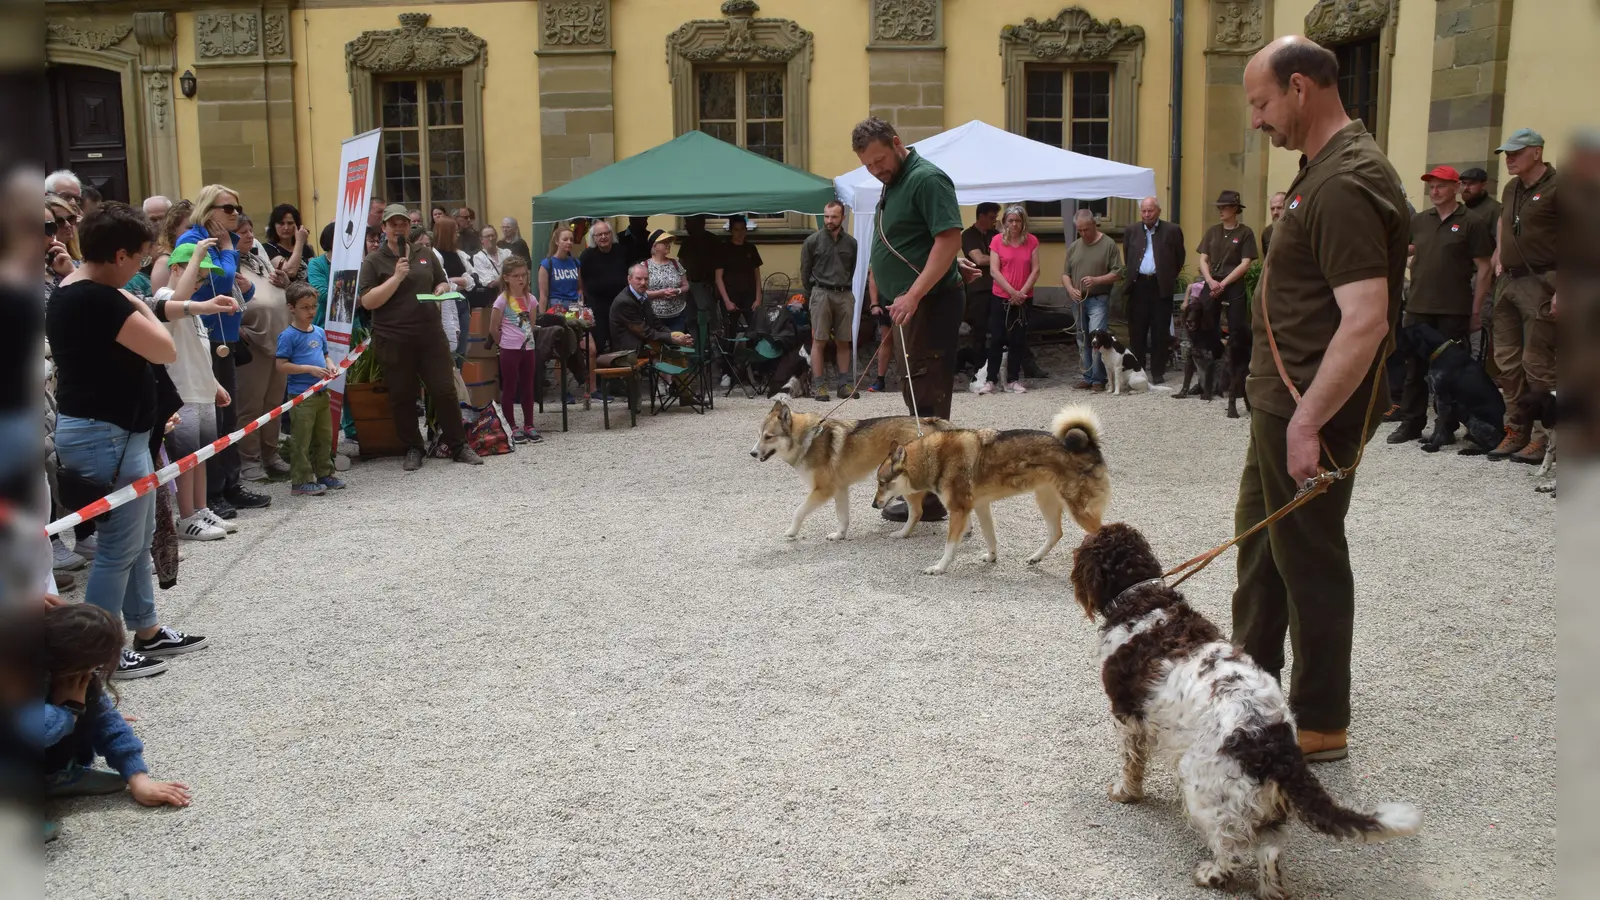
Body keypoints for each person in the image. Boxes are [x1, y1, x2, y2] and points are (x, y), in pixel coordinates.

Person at [1235, 37, 1408, 762]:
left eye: (1261, 102)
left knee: (1307, 556)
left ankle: (1318, 719)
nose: (1256, 120)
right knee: (1263, 548)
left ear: (1300, 87)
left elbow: (1366, 317)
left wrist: (1308, 421)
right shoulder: (1321, 171)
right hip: (1287, 397)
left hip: (1309, 404)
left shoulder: (1344, 181)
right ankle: (1252, 687)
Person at [45, 203, 210, 679]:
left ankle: (146, 629)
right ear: (118, 255)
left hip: (116, 432)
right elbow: (164, 346)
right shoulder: (99, 298)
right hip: (106, 435)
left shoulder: (78, 288)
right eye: (138, 256)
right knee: (119, 546)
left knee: (136, 541)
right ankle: (97, 654)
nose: (141, 267)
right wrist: (136, 302)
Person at [851, 116, 967, 523]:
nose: (876, 170)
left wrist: (916, 292)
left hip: (928, 306)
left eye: (880, 160)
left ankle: (936, 498)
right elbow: (922, 239)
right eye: (868, 166)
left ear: (898, 143)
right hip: (912, 306)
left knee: (929, 399)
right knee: (914, 396)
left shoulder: (926, 178)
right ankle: (924, 488)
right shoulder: (895, 182)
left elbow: (949, 236)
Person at [167, 185, 271, 517]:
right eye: (228, 208)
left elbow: (238, 289)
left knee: (227, 416)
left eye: (237, 207)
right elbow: (218, 282)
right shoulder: (194, 242)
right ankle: (211, 492)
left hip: (225, 335)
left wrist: (247, 283)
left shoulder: (223, 243)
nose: (235, 214)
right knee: (210, 420)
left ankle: (229, 483)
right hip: (206, 339)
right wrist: (228, 250)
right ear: (209, 209)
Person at [29, 604, 194, 807]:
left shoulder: (78, 676)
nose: (93, 673)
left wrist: (137, 778)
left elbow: (108, 723)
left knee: (88, 710)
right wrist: (70, 712)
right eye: (94, 665)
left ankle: (56, 774)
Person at [357, 204, 481, 471]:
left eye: (403, 222)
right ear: (384, 228)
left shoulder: (424, 253)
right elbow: (367, 301)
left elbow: (443, 281)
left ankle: (458, 445)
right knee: (402, 395)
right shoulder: (373, 261)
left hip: (429, 334)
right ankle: (413, 446)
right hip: (393, 337)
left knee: (444, 390)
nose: (399, 227)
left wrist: (441, 287)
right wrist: (397, 277)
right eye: (393, 223)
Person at [1388, 165, 1493, 445]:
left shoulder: (1472, 222)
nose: (1435, 191)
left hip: (1453, 308)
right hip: (1419, 306)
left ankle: (1445, 426)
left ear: (1456, 187)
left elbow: (1484, 268)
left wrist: (1476, 310)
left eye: (1441, 186)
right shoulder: (1420, 220)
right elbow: (1408, 248)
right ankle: (1411, 423)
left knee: (1450, 372)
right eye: (1431, 186)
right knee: (1414, 368)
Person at [156, 234, 237, 541]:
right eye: (198, 276)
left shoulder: (196, 309)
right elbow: (176, 300)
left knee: (202, 455)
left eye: (204, 279)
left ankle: (200, 509)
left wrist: (213, 383)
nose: (201, 284)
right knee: (186, 457)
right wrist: (196, 255)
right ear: (177, 268)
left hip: (200, 390)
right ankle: (186, 515)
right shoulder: (167, 297)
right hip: (182, 393)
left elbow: (199, 350)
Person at [1487, 127, 1559, 464]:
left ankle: (1543, 437)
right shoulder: (1511, 187)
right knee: (1507, 362)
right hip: (1509, 282)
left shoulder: (1562, 188)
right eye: (1507, 153)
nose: (1510, 159)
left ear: (1537, 152)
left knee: (1537, 364)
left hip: (1541, 282)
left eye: (1516, 152)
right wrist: (1500, 253)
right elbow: (1504, 223)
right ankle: (1515, 429)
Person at [233, 214, 293, 483]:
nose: (248, 235)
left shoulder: (259, 259)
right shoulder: (227, 266)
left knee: (273, 403)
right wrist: (236, 328)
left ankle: (271, 454)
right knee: (251, 405)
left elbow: (279, 294)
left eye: (250, 230)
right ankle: (249, 460)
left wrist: (284, 283)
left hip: (278, 340)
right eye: (241, 232)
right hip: (253, 343)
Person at [276, 283, 344, 496]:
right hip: (301, 396)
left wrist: (330, 364)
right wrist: (308, 369)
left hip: (322, 393)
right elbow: (281, 365)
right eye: (305, 307)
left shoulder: (319, 332)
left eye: (313, 306)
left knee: (324, 436)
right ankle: (301, 479)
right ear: (291, 307)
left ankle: (325, 473)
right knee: (302, 439)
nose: (311, 312)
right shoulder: (288, 336)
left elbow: (325, 355)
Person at [1122, 196, 1186, 384]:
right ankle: (1138, 370)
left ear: (1158, 211)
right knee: (1137, 330)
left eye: (1150, 210)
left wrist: (1167, 276)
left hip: (1160, 286)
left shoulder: (1172, 230)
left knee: (1160, 331)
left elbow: (1179, 257)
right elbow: (1128, 256)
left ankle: (1158, 371)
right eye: (1144, 210)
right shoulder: (1131, 230)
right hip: (1139, 285)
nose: (1147, 214)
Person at [800, 200, 859, 402]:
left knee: (844, 340)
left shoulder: (851, 243)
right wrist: (814, 295)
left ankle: (844, 385)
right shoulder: (812, 241)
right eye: (826, 216)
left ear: (842, 218)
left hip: (844, 294)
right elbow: (804, 272)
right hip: (820, 292)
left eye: (834, 217)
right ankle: (820, 386)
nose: (829, 221)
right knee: (819, 340)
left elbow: (852, 268)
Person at [979, 204, 1040, 395]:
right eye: (1010, 220)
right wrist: (1012, 291)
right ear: (1005, 222)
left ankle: (1013, 379)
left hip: (1023, 297)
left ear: (1023, 222)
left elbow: (1036, 269)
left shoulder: (1031, 241)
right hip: (1002, 296)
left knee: (1018, 339)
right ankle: (991, 379)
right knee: (997, 338)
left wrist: (1021, 292)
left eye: (1017, 221)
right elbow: (994, 270)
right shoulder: (997, 241)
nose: (1014, 224)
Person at [1195, 189, 1259, 366]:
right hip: (1212, 280)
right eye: (1219, 207)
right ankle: (1210, 368)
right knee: (1206, 322)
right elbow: (1203, 258)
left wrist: (1223, 283)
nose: (1220, 211)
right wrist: (1209, 280)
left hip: (1233, 283)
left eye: (1224, 207)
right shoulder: (1213, 231)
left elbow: (1245, 263)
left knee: (1237, 327)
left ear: (1235, 209)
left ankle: (1237, 370)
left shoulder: (1245, 232)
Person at [1063, 209, 1123, 392]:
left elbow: (1118, 273)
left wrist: (1097, 280)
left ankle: (1099, 378)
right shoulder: (1074, 246)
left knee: (1097, 337)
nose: (1083, 234)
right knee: (1082, 338)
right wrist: (1070, 288)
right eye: (1079, 230)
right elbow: (1066, 274)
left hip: (1098, 298)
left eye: (1086, 229)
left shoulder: (1109, 244)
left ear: (1094, 225)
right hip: (1078, 300)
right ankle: (1087, 376)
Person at [487, 257, 543, 444]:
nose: (521, 279)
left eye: (524, 275)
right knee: (510, 387)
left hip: (528, 348)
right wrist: (502, 343)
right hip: (509, 349)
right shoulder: (502, 300)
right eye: (516, 276)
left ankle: (529, 424)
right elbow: (493, 328)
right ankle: (511, 425)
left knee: (528, 386)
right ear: (506, 278)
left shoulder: (531, 299)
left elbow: (532, 324)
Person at [538, 227, 598, 400]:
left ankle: (592, 388)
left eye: (571, 239)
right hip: (557, 308)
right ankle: (564, 390)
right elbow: (543, 294)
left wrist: (581, 305)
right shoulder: (547, 264)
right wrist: (543, 319)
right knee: (563, 349)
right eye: (565, 239)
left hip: (575, 308)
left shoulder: (575, 263)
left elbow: (580, 287)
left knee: (591, 349)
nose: (569, 243)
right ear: (557, 241)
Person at [610, 262, 693, 355]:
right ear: (629, 279)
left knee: (681, 347)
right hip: (629, 350)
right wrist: (672, 338)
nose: (643, 282)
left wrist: (677, 335)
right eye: (638, 279)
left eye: (646, 279)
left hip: (644, 342)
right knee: (674, 353)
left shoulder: (642, 295)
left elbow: (657, 324)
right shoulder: (624, 302)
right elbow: (645, 332)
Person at [958, 203, 1000, 377]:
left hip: (997, 287)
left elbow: (1010, 249)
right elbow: (979, 259)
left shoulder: (996, 235)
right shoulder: (968, 235)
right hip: (978, 289)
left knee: (1002, 327)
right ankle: (978, 366)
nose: (994, 221)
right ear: (981, 216)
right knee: (980, 330)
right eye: (991, 217)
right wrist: (1000, 257)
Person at [578, 220, 630, 352]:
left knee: (619, 340)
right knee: (599, 341)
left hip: (620, 303)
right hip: (597, 305)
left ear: (611, 234)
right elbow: (580, 281)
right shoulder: (586, 256)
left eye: (606, 233)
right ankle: (599, 371)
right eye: (599, 235)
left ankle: (619, 370)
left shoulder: (621, 250)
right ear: (593, 238)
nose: (603, 237)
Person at [431, 218, 475, 360]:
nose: (457, 235)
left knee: (462, 348)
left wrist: (457, 281)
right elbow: (444, 282)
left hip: (463, 303)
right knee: (451, 346)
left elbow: (471, 279)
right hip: (448, 304)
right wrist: (459, 282)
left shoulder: (458, 254)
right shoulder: (436, 255)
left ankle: (459, 379)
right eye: (454, 231)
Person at [715, 216, 763, 340]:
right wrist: (726, 301)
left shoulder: (751, 249)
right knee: (730, 332)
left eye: (742, 229)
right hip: (731, 296)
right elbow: (718, 277)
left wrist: (758, 299)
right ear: (731, 230)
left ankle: (751, 357)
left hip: (750, 297)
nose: (740, 233)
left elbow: (757, 276)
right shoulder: (723, 249)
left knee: (754, 331)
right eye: (736, 230)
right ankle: (729, 358)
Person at [644, 228, 690, 333]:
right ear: (655, 246)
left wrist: (677, 291)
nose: (668, 244)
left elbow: (686, 285)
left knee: (676, 345)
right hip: (654, 317)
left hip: (677, 316)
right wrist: (660, 293)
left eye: (669, 242)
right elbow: (641, 293)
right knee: (657, 347)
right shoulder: (644, 266)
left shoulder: (675, 264)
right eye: (664, 242)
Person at [263, 203, 312, 284]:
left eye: (290, 223)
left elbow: (315, 271)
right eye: (281, 223)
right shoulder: (268, 248)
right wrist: (299, 242)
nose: (286, 228)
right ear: (274, 226)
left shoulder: (305, 248)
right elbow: (290, 272)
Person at [862, 269, 895, 392]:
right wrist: (874, 303)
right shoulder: (880, 251)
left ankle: (912, 377)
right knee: (886, 340)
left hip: (908, 297)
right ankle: (880, 379)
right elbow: (874, 275)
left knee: (910, 340)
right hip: (887, 299)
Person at [469, 224, 510, 312]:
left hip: (511, 297)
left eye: (493, 235)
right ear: (481, 240)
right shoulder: (478, 258)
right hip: (494, 302)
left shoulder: (507, 253)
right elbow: (489, 283)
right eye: (487, 236)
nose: (491, 239)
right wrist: (507, 275)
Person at [306, 222, 335, 326]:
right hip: (325, 324)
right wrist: (352, 298)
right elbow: (322, 294)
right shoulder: (316, 264)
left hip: (355, 326)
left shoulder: (356, 263)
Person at [1459, 167, 1501, 233]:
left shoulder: (1495, 210)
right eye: (1463, 183)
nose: (1466, 188)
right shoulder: (1461, 209)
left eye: (1472, 183)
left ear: (1483, 185)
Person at [1262, 191, 1287, 257]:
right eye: (1272, 209)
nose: (1275, 212)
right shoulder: (1267, 232)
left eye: (1279, 208)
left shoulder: (1298, 230)